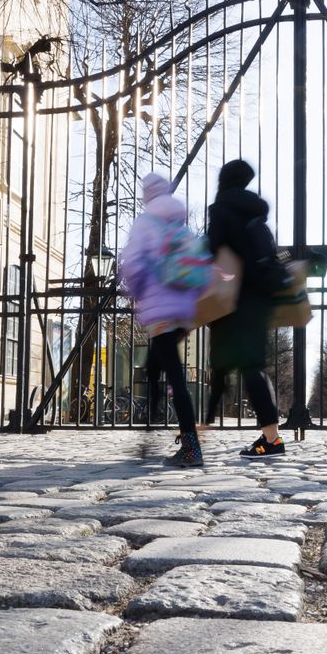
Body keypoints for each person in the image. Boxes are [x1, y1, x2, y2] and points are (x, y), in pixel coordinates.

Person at [119, 172, 203, 467]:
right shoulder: (181, 226)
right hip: (182, 312)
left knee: (174, 377)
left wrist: (135, 291)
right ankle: (148, 436)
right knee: (154, 370)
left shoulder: (145, 224)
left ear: (147, 194)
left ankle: (191, 446)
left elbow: (132, 264)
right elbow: (198, 265)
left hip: (159, 310)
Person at [207, 159, 287, 458]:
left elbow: (213, 251)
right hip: (259, 299)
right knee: (252, 367)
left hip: (233, 298)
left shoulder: (222, 209)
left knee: (223, 365)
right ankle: (271, 438)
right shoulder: (257, 213)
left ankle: (198, 434)